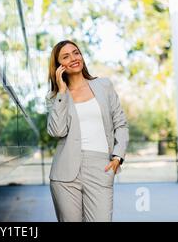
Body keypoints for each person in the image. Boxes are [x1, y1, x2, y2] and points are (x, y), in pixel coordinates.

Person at [46, 39, 129, 222]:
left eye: (76, 52)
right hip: (65, 172)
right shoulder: (55, 97)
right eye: (66, 56)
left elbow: (121, 124)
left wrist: (117, 157)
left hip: (100, 166)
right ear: (59, 65)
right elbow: (56, 131)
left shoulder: (103, 86)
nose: (73, 58)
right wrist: (61, 91)